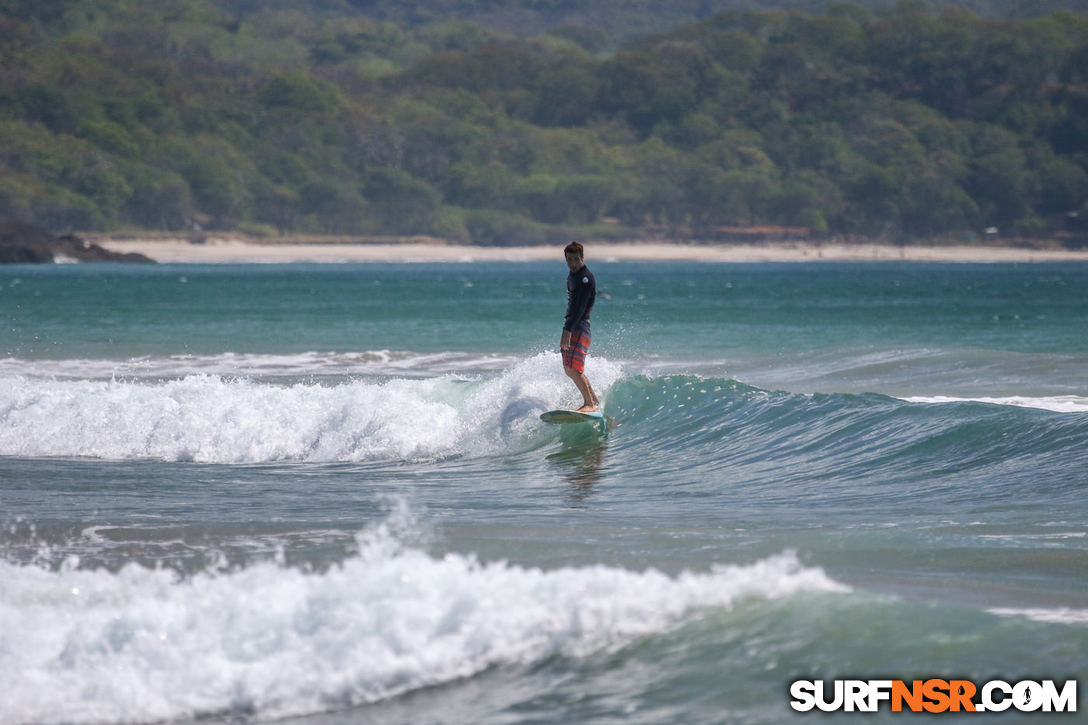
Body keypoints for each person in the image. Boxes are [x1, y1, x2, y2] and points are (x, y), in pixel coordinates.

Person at [560, 241, 599, 413]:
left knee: (573, 368)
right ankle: (594, 401)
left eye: (576, 259)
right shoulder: (572, 276)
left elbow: (580, 307)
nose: (573, 263)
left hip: (579, 327)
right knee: (570, 369)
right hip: (573, 325)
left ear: (582, 258)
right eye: (569, 260)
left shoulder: (585, 279)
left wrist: (567, 329)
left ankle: (589, 404)